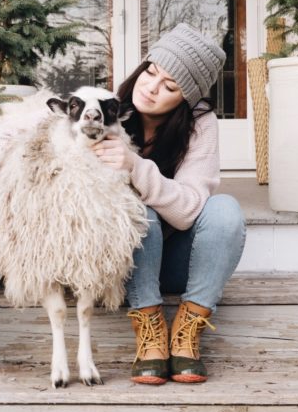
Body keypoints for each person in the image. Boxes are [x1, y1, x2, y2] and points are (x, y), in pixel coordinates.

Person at [91, 23, 246, 385]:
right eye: (151, 72)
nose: (152, 88)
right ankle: (149, 328)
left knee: (225, 210)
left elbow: (189, 209)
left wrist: (135, 166)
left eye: (170, 87)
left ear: (185, 99)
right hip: (124, 265)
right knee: (137, 211)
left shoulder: (199, 123)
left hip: (178, 262)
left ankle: (187, 331)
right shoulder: (106, 113)